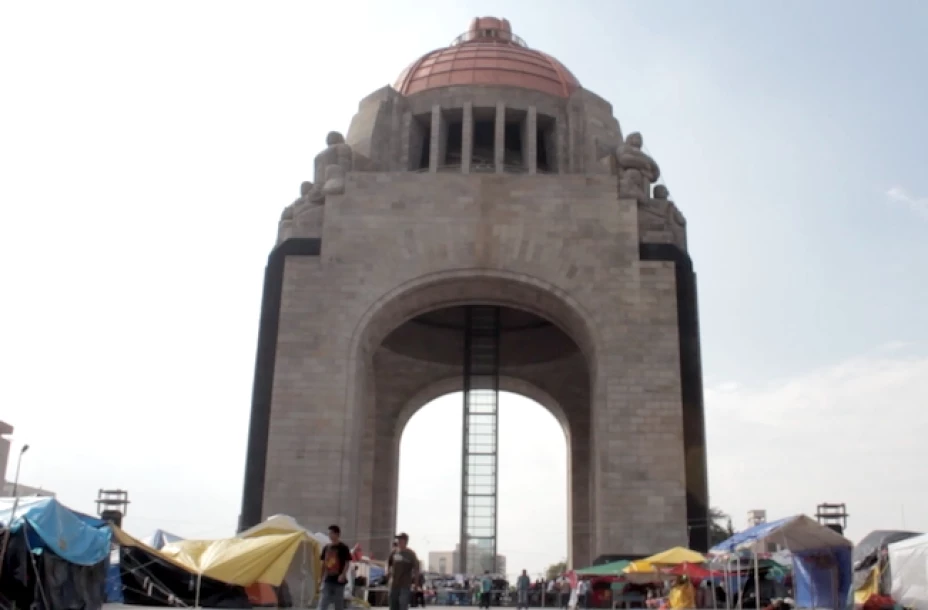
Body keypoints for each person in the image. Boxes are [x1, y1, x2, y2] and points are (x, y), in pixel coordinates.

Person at [318, 525, 353, 610]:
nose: (329, 535)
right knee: (323, 603)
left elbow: (347, 562)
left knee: (338, 604)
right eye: (329, 533)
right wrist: (321, 578)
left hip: (339, 581)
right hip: (328, 579)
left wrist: (343, 574)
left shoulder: (343, 548)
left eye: (331, 533)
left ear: (337, 534)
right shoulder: (326, 548)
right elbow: (323, 564)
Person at [388, 533, 419, 610]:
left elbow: (416, 569)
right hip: (394, 584)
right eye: (398, 539)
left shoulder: (411, 554)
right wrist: (388, 572)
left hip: (405, 584)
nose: (398, 541)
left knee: (403, 605)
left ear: (405, 541)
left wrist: (416, 584)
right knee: (393, 606)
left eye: (400, 539)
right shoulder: (394, 552)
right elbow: (388, 563)